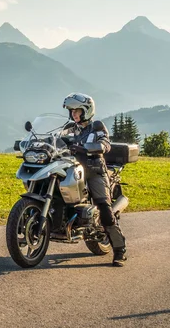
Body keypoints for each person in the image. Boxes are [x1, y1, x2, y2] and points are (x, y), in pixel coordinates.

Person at [62, 92, 128, 267]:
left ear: (86, 110)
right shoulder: (70, 127)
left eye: (77, 110)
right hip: (73, 169)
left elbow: (105, 143)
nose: (74, 114)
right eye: (72, 111)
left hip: (94, 171)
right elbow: (56, 139)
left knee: (105, 209)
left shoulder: (97, 126)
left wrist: (94, 147)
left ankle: (119, 250)